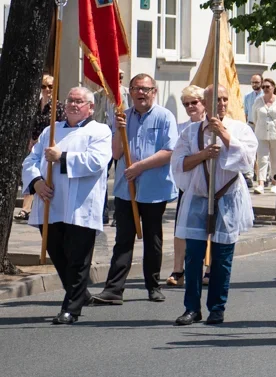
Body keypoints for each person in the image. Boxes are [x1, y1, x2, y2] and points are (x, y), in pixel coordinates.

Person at [22, 87, 111, 324]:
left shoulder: (100, 131)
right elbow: (31, 159)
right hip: (50, 202)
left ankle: (71, 308)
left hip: (79, 205)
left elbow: (96, 162)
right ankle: (80, 293)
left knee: (78, 257)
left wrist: (62, 157)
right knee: (58, 254)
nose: (73, 104)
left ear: (90, 107)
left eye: (79, 101)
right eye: (70, 100)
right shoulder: (51, 130)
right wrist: (36, 182)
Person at [171, 85, 257, 326]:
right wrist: (204, 154)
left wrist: (225, 135)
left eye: (224, 99)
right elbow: (179, 163)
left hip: (227, 197)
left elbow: (248, 161)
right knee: (194, 255)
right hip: (198, 196)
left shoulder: (241, 129)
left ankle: (217, 307)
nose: (220, 104)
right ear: (204, 102)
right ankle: (191, 308)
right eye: (215, 99)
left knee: (222, 256)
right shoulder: (190, 132)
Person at [91, 74, 178, 305]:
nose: (141, 93)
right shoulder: (123, 117)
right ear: (130, 92)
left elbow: (169, 152)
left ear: (154, 91)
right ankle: (114, 289)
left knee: (153, 239)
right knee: (123, 239)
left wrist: (139, 167)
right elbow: (117, 154)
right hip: (125, 189)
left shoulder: (165, 116)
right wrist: (119, 131)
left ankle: (153, 286)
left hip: (153, 189)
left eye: (146, 89)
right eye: (137, 89)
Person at [167, 85, 206, 287]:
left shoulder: (211, 125)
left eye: (194, 102)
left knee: (210, 227)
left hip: (209, 184)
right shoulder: (181, 128)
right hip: (186, 184)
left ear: (203, 103)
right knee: (181, 228)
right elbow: (177, 156)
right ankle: (178, 269)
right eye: (186, 104)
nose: (191, 106)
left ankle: (209, 268)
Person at [17, 74, 66, 222]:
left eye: (50, 86)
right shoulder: (35, 106)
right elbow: (28, 125)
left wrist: (40, 140)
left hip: (48, 147)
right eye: (43, 86)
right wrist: (30, 140)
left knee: (42, 175)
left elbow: (60, 128)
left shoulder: (59, 107)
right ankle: (26, 208)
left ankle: (30, 208)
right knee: (31, 173)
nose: (47, 89)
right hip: (32, 146)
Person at [248, 77, 276, 194]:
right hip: (261, 133)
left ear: (273, 87)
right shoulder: (258, 100)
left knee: (275, 159)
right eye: (264, 87)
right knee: (262, 159)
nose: (265, 89)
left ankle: (275, 182)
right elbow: (254, 117)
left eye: (268, 87)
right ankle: (261, 183)